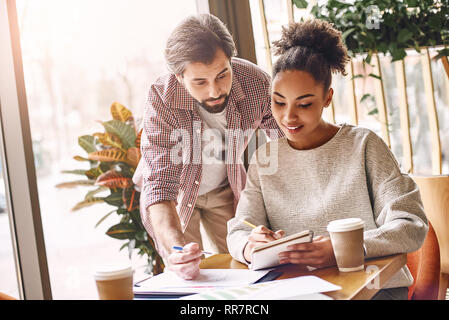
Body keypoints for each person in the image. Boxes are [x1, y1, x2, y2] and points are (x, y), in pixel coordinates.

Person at [226, 19, 428, 300]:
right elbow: (239, 229)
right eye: (279, 102)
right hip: (298, 290)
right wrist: (250, 245)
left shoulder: (364, 146)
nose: (288, 117)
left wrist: (344, 247)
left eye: (304, 104)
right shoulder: (265, 159)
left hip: (373, 289)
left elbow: (411, 224)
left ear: (327, 98)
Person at [133, 13, 283, 280]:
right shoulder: (161, 97)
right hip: (175, 194)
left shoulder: (257, 83)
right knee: (187, 268)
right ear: (179, 77)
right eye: (200, 82)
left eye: (222, 75)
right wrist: (174, 253)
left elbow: (290, 144)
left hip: (224, 187)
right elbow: (160, 185)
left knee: (244, 265)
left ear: (230, 60)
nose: (215, 91)